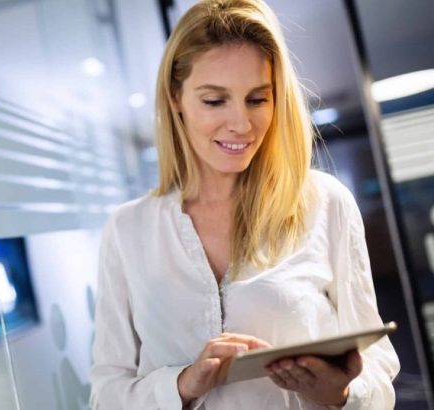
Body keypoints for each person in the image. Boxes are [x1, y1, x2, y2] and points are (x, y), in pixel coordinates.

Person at [89, 0, 400, 409]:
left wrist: (341, 394)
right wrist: (183, 384)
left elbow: (377, 368)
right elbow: (106, 395)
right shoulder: (128, 230)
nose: (241, 124)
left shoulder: (325, 204)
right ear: (175, 99)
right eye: (215, 101)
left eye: (257, 99)